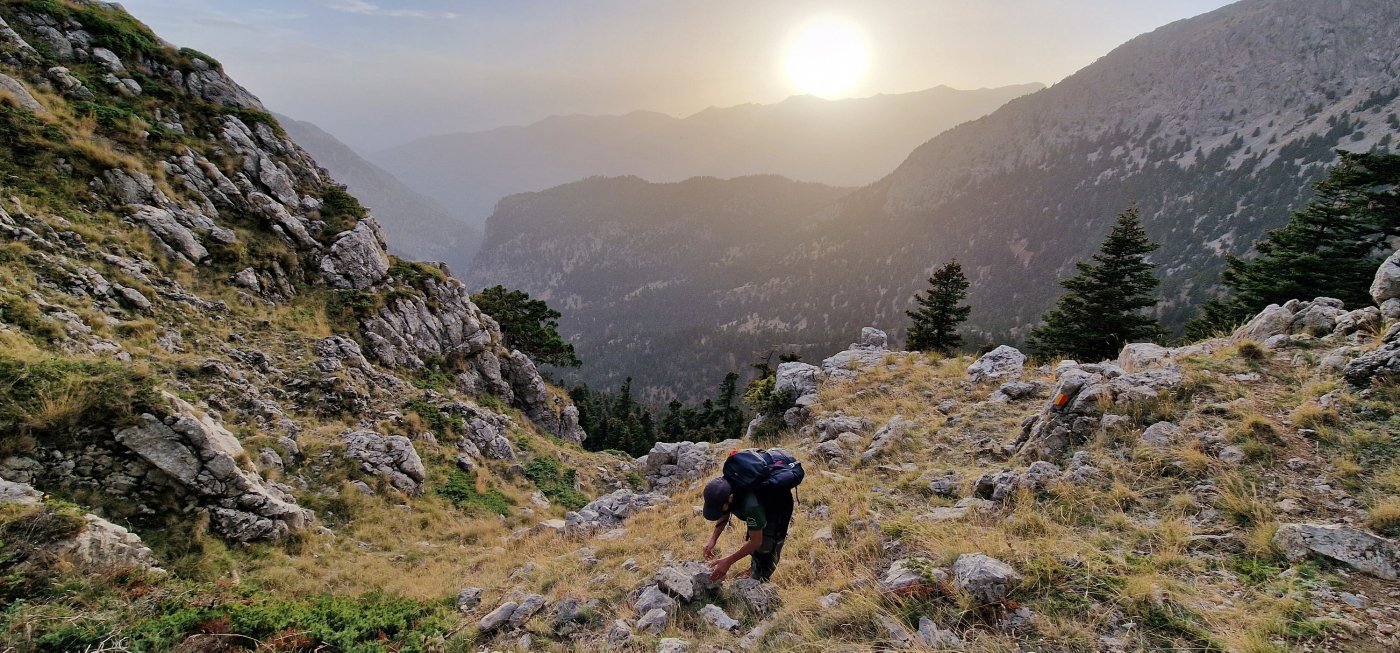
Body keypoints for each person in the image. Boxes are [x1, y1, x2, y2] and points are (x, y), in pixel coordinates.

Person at [700, 476, 794, 582]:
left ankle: (759, 579)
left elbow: (756, 541)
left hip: (777, 507)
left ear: (730, 498)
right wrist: (713, 539)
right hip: (759, 506)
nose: (719, 512)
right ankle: (754, 568)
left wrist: (728, 561)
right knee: (756, 537)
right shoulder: (724, 488)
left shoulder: (750, 506)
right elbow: (724, 512)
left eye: (719, 508)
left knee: (766, 547)